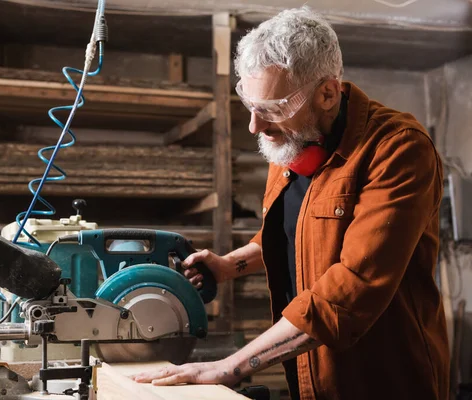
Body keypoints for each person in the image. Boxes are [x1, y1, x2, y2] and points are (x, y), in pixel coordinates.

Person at [133, 6, 449, 400]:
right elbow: (293, 233)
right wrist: (230, 266)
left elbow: (351, 289)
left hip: (383, 381)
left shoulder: (398, 150)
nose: (255, 126)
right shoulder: (289, 141)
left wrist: (228, 367)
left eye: (272, 109)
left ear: (327, 93)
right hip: (310, 377)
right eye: (249, 104)